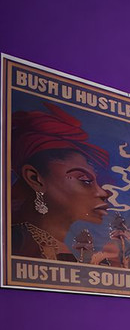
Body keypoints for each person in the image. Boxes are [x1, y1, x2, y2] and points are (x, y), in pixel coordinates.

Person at [9, 102, 112, 262]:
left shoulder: (87, 253)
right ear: (35, 179)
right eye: (85, 180)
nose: (103, 192)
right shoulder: (17, 242)